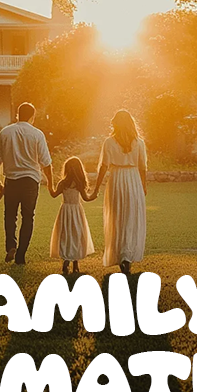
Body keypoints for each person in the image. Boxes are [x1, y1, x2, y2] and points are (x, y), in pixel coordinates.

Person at [0, 102, 53, 265]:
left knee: (10, 215)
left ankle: (11, 246)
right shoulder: (37, 134)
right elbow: (46, 163)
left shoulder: (5, 132)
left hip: (11, 180)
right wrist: (51, 183)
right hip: (30, 181)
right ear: (32, 116)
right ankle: (21, 254)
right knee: (28, 217)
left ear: (17, 114)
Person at [91, 110, 148, 274]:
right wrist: (143, 186)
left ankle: (121, 255)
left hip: (116, 179)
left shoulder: (109, 142)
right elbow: (143, 167)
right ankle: (127, 255)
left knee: (117, 219)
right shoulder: (139, 143)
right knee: (130, 218)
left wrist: (96, 188)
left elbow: (103, 166)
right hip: (133, 179)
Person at [48, 156, 97, 274]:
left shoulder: (63, 183)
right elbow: (86, 198)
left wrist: (50, 184)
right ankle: (75, 264)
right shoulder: (79, 183)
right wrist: (95, 194)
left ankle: (66, 260)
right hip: (76, 211)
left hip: (65, 211)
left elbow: (54, 194)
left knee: (66, 235)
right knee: (77, 234)